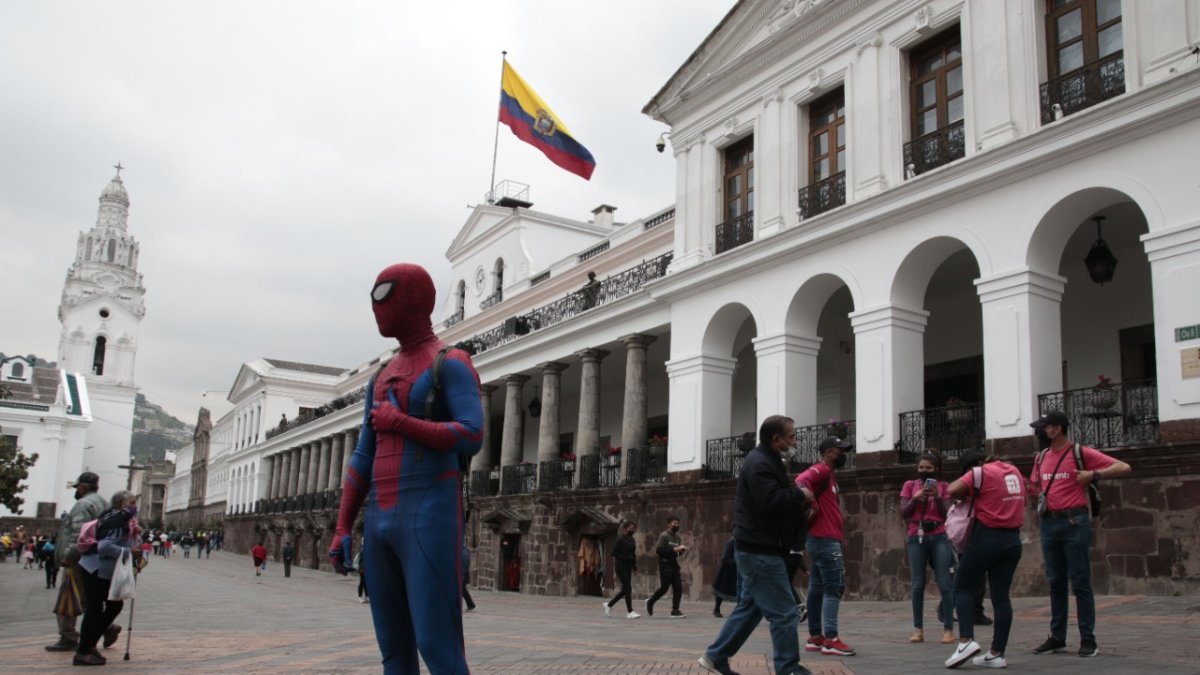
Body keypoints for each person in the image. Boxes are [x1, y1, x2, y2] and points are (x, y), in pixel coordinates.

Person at [329, 262, 484, 675]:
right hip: (380, 520)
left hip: (430, 514)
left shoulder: (450, 363)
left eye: (383, 295)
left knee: (438, 644)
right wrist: (344, 526)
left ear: (414, 299)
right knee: (393, 649)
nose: (375, 307)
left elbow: (473, 434)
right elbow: (363, 454)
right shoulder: (380, 378)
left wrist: (403, 423)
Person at [699, 415, 812, 675]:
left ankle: (715, 656)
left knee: (750, 608)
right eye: (791, 436)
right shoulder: (760, 463)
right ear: (777, 439)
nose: (794, 441)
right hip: (760, 550)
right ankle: (788, 668)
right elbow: (769, 500)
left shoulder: (767, 460)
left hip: (760, 547)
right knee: (784, 612)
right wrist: (800, 494)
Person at [1028, 410, 1131, 658]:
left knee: (1080, 581)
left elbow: (1124, 466)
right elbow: (1035, 485)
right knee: (1055, 582)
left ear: (1057, 428)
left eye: (1045, 427)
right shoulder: (1041, 457)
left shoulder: (1079, 452)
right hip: (1049, 523)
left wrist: (1094, 474)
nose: (1041, 431)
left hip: (1074, 521)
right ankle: (1057, 636)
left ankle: (1088, 638)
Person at [944, 449, 1026, 669]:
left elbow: (952, 489)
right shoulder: (1014, 471)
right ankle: (997, 653)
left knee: (962, 587)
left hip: (988, 536)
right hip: (1013, 540)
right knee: (1001, 597)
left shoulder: (981, 472)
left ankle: (965, 641)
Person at [796, 436, 855, 657]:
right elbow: (800, 481)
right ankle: (831, 639)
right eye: (840, 451)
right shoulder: (821, 469)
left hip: (822, 538)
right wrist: (811, 502)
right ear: (829, 452)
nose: (843, 455)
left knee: (818, 588)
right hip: (824, 538)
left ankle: (815, 637)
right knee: (834, 586)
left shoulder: (829, 475)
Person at [74, 490, 141, 667]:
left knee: (112, 605)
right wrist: (129, 552)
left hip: (99, 568)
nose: (136, 506)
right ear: (122, 504)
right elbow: (105, 546)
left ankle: (89, 645)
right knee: (95, 609)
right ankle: (83, 651)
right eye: (132, 502)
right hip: (95, 568)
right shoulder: (117, 519)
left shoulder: (116, 516)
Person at [46, 472, 111, 653]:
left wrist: (68, 556)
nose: (76, 491)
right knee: (88, 598)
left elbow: (78, 535)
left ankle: (67, 636)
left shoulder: (83, 505)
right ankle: (107, 627)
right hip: (94, 558)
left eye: (77, 488)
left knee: (67, 598)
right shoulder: (103, 503)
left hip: (78, 559)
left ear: (82, 487)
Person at [900, 451, 955, 645]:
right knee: (917, 585)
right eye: (921, 468)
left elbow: (948, 513)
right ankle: (918, 629)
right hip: (917, 535)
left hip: (939, 535)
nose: (924, 471)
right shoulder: (910, 485)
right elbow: (903, 512)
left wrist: (938, 497)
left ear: (936, 470)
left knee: (945, 583)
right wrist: (915, 498)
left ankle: (948, 629)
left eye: (928, 468)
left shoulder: (944, 486)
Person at [646, 517, 687, 618]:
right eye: (674, 523)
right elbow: (659, 551)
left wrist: (680, 552)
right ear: (668, 524)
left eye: (678, 523)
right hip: (665, 565)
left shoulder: (677, 538)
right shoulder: (664, 536)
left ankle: (675, 610)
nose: (676, 525)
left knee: (678, 587)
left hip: (674, 565)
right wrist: (675, 549)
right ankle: (650, 602)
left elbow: (675, 554)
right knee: (664, 588)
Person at [604, 520, 639, 619]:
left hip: (628, 567)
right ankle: (630, 611)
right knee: (628, 588)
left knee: (625, 590)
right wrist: (624, 558)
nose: (632, 530)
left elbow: (633, 555)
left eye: (633, 528)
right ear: (625, 529)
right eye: (630, 528)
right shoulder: (620, 539)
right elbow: (614, 553)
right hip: (621, 566)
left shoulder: (632, 540)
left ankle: (609, 605)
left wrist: (634, 567)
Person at [710, 536, 736, 618]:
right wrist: (737, 562)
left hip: (737, 571)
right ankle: (716, 609)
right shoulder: (731, 542)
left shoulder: (741, 542)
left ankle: (739, 611)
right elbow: (725, 558)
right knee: (721, 592)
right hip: (727, 571)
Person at [461, 542, 475, 612]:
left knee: (461, 591)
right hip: (463, 575)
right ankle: (471, 604)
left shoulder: (463, 553)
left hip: (462, 576)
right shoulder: (465, 552)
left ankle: (471, 605)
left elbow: (464, 565)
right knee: (463, 591)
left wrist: (462, 575)